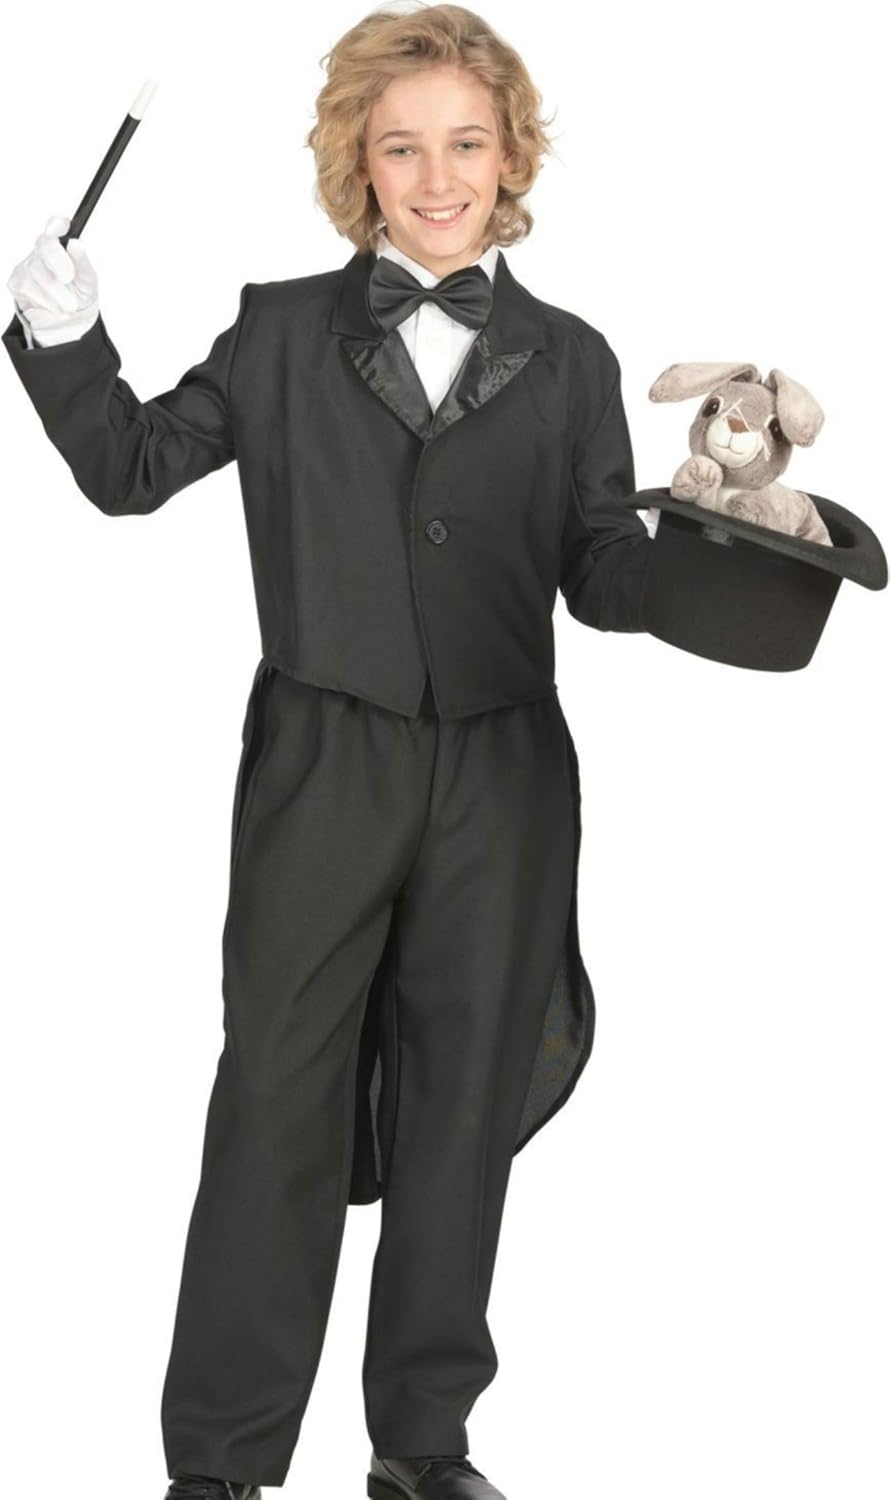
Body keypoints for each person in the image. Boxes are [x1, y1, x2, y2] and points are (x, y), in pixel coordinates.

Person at [3, 6, 660, 1497]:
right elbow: (129, 469)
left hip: (504, 773)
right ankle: (221, 1461)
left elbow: (602, 571)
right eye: (402, 146)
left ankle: (421, 1445)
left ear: (512, 157)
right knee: (275, 1094)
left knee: (462, 1103)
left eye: (467, 144)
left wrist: (712, 545)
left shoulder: (572, 360)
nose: (438, 178)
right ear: (358, 162)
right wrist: (62, 336)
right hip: (322, 761)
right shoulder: (282, 330)